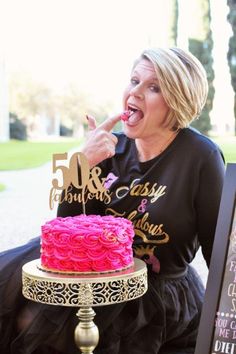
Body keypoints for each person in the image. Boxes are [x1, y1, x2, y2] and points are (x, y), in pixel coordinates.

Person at [0, 47, 225, 354]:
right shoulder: (111, 147)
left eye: (154, 87)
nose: (136, 92)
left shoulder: (201, 157)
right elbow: (71, 228)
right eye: (134, 81)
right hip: (95, 280)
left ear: (177, 100)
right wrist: (82, 166)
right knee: (22, 314)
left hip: (155, 294)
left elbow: (220, 253)